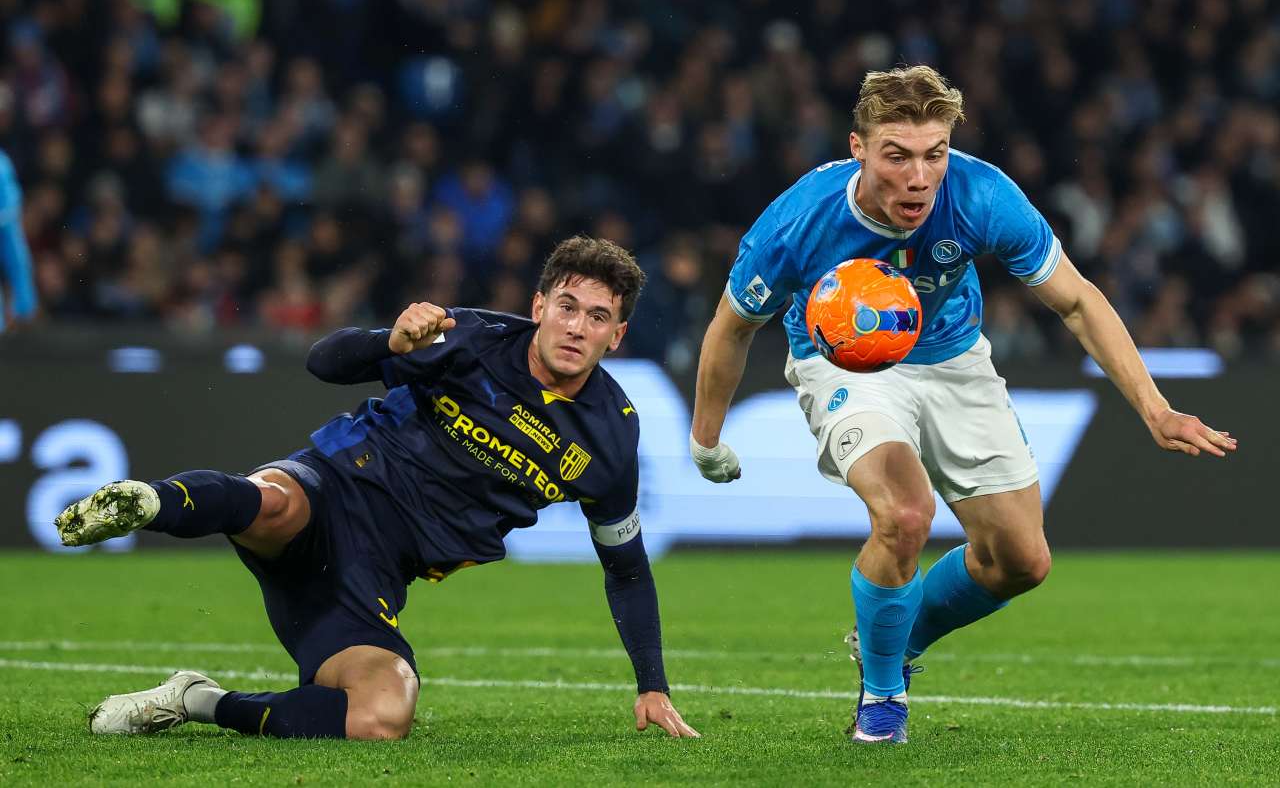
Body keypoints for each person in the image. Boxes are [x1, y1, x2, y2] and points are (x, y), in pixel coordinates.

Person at [687, 65, 1236, 744]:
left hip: (954, 358)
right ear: (858, 148)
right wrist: (706, 440)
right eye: (897, 157)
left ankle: (893, 639)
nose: (919, 178)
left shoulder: (982, 195)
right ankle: (883, 697)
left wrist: (1155, 409)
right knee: (904, 515)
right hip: (845, 365)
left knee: (1022, 561)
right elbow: (732, 328)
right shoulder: (800, 221)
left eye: (935, 154)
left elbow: (1076, 301)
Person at [55, 235, 699, 742]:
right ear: (539, 308)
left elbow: (626, 568)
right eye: (567, 306)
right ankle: (150, 502)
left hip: (374, 575)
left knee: (382, 714)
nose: (577, 327)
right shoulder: (469, 338)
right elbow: (323, 361)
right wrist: (386, 341)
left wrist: (652, 684)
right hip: (337, 487)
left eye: (598, 317)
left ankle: (195, 700)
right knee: (272, 501)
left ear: (617, 336)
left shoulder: (610, 442)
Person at [0, 148, 38, 333]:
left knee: (18, 260)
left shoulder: (1, 164)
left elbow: (11, 204)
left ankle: (24, 313)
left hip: (5, 229)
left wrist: (24, 306)